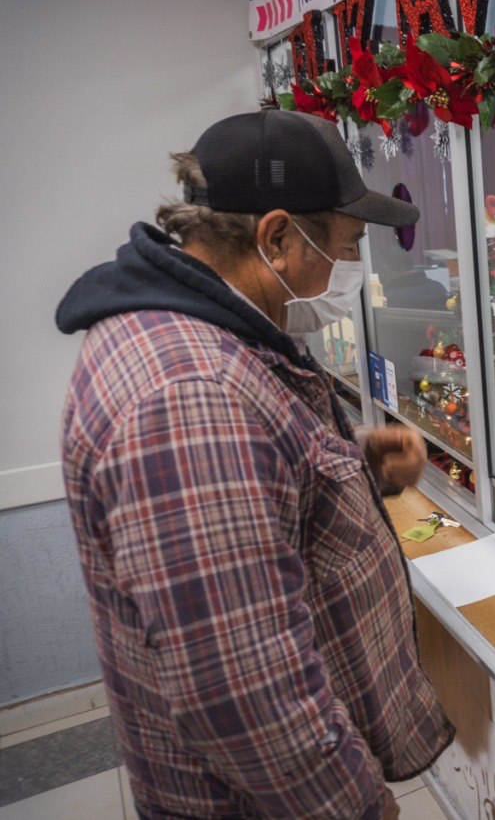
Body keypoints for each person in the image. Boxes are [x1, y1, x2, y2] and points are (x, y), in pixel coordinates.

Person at [56, 109, 454, 818]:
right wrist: (358, 808)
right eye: (346, 245)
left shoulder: (192, 339)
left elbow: (250, 473)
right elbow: (241, 690)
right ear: (276, 237)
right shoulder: (187, 397)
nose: (350, 270)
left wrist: (350, 457)